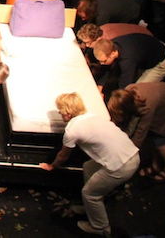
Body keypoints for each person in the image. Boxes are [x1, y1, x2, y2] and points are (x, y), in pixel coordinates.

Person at [40, 92, 139, 236]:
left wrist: (52, 166)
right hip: (131, 154)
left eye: (61, 112)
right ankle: (90, 208)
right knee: (88, 167)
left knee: (89, 194)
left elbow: (63, 155)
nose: (60, 115)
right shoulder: (94, 116)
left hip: (121, 165)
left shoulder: (72, 130)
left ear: (67, 114)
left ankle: (101, 227)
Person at [107, 83, 165, 183]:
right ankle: (156, 166)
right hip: (163, 105)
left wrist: (126, 154)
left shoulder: (146, 106)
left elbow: (140, 133)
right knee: (155, 137)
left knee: (160, 142)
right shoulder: (127, 93)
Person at [92, 34, 165, 93]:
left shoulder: (127, 61)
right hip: (151, 48)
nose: (101, 63)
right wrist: (100, 87)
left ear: (113, 54)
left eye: (104, 61)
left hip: (162, 61)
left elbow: (124, 87)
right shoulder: (110, 45)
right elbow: (105, 68)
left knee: (137, 91)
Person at [76, 0, 141, 26]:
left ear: (90, 13)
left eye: (84, 17)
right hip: (124, 4)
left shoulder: (102, 15)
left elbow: (99, 33)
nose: (83, 19)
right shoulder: (92, 2)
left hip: (130, 12)